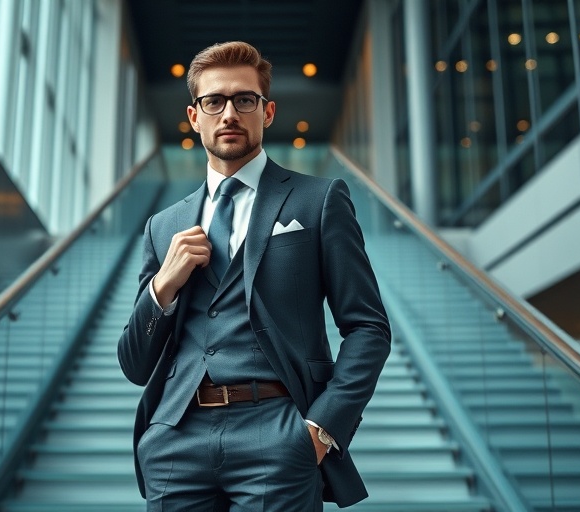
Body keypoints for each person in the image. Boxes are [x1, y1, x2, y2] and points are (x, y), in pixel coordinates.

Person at [117, 41, 391, 511]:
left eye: (244, 100)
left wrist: (321, 428)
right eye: (214, 101)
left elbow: (368, 327)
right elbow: (135, 364)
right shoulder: (163, 226)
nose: (229, 113)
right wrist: (163, 285)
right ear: (193, 115)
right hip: (175, 439)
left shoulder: (318, 200)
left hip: (278, 433)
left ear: (267, 112)